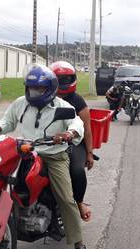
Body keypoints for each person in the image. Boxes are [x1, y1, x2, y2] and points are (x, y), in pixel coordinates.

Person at [0, 64, 87, 249]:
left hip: (53, 156)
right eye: (31, 88)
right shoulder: (21, 103)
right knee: (1, 182)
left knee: (66, 198)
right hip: (26, 152)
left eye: (38, 89)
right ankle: (5, 232)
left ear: (49, 89)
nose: (34, 92)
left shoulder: (63, 106)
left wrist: (69, 134)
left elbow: (77, 124)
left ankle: (79, 244)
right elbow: (8, 121)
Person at [50, 61, 93, 223]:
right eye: (59, 79)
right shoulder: (44, 97)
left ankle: (80, 203)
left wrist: (89, 153)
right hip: (48, 142)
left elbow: (87, 130)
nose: (63, 83)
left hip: (74, 144)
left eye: (67, 79)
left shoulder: (78, 101)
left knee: (76, 170)